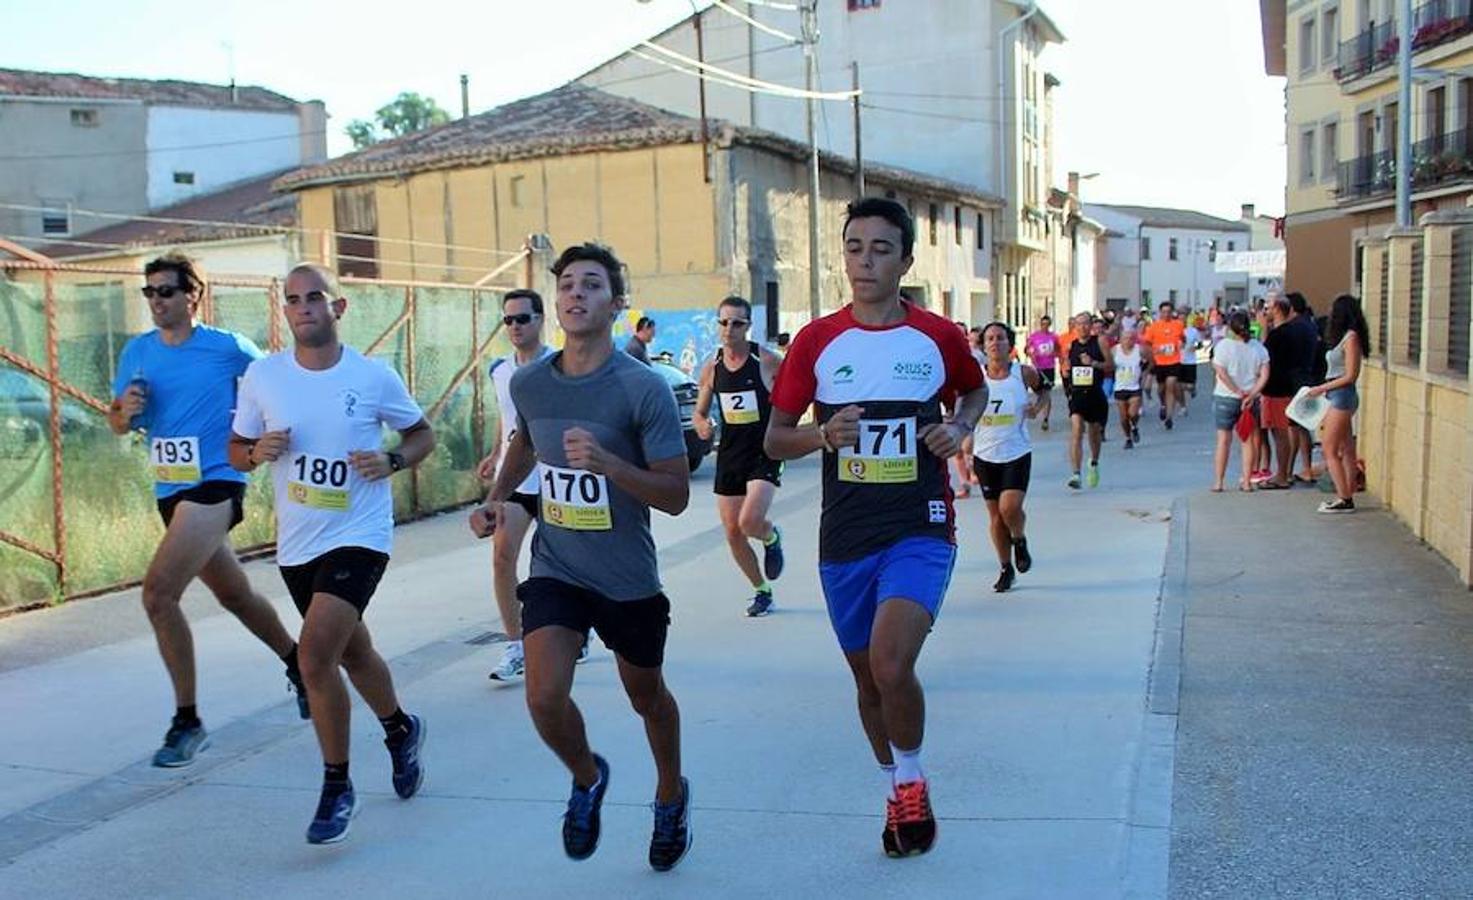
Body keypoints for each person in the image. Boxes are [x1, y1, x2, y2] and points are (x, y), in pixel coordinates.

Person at [764, 198, 986, 858]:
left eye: (880, 248)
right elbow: (773, 441)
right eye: (854, 246)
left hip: (920, 522)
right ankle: (893, 783)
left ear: (905, 260)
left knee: (892, 662)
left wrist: (960, 427)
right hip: (845, 533)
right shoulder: (815, 342)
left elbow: (971, 392)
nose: (864, 260)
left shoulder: (938, 336)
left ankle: (913, 779)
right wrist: (820, 434)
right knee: (866, 682)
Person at [469, 242, 693, 871]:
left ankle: (671, 793)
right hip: (558, 568)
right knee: (542, 697)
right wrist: (496, 497)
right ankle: (588, 775)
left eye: (591, 285)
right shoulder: (531, 381)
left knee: (647, 698)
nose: (575, 294)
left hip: (626, 577)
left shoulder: (641, 387)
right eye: (566, 283)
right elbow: (522, 442)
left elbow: (674, 495)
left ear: (616, 304)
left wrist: (610, 464)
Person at [230, 262, 433, 844]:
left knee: (316, 656)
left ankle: (337, 785)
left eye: (314, 297)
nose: (303, 308)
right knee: (353, 651)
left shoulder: (373, 377)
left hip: (361, 534)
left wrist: (392, 460)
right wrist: (255, 452)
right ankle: (400, 728)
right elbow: (237, 447)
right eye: (292, 300)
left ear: (338, 308)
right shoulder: (263, 376)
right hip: (299, 543)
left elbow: (422, 435)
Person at [107, 252, 306, 769]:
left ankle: (187, 722)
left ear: (192, 295)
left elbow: (275, 385)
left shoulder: (226, 348)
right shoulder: (138, 352)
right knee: (236, 594)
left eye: (167, 291)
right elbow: (118, 421)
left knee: (158, 595)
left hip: (217, 482)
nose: (157, 301)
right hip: (170, 490)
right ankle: (300, 664)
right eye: (149, 293)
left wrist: (267, 439)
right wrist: (122, 412)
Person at [477, 289, 555, 682]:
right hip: (517, 482)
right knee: (502, 557)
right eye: (508, 320)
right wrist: (494, 455)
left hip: (558, 483)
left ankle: (578, 628)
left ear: (540, 320)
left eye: (522, 318)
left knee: (561, 569)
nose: (515, 327)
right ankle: (515, 645)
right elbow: (506, 419)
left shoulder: (559, 365)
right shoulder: (500, 370)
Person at [692, 295, 786, 617]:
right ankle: (762, 590)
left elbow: (794, 396)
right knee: (733, 532)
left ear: (748, 326)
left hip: (765, 451)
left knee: (749, 522)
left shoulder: (767, 361)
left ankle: (771, 536)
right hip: (731, 455)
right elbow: (699, 413)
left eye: (737, 323)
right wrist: (703, 425)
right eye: (723, 322)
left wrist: (787, 432)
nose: (729, 329)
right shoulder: (712, 368)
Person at [972, 322, 1042, 592]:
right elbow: (962, 404)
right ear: (983, 345)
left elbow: (1044, 391)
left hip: (1016, 451)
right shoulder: (976, 377)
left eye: (1000, 338)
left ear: (1009, 343)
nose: (994, 343)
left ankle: (1020, 539)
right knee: (996, 517)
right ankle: (1005, 567)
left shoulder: (1022, 373)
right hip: (985, 454)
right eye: (989, 338)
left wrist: (1037, 406)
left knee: (1009, 508)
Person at [1307, 295, 1369, 513]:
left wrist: (1321, 389)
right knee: (1346, 447)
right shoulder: (1345, 337)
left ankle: (1344, 497)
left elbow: (1350, 375)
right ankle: (1348, 491)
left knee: (1329, 448)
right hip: (1338, 393)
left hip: (1341, 394)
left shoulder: (1351, 339)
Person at [1210, 311, 1269, 492]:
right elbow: (1265, 375)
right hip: (1250, 401)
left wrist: (1237, 391)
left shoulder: (1223, 346)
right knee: (1248, 441)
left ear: (1230, 327)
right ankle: (1246, 481)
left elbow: (1221, 371)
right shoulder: (1258, 348)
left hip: (1225, 397)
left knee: (1223, 440)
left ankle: (1219, 482)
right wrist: (1251, 394)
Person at [1064, 312, 1112, 489]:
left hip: (1095, 393)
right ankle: (1076, 473)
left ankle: (1094, 463)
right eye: (1079, 324)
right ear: (1074, 327)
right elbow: (1068, 367)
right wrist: (1066, 372)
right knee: (1076, 429)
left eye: (1085, 324)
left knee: (1094, 432)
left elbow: (1110, 365)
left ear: (1091, 325)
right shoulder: (1072, 345)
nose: (1082, 327)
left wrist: (1093, 363)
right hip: (1077, 393)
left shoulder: (1099, 342)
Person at [1257, 295, 1298, 490]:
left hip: (1275, 389)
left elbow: (1263, 355)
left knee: (1279, 433)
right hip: (1285, 387)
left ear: (1278, 309)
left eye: (1269, 308)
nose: (1266, 312)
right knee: (1281, 432)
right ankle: (1284, 472)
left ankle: (1281, 475)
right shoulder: (1291, 332)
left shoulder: (1278, 334)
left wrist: (1264, 328)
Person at [1286, 292, 1321, 483]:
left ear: (1290, 309)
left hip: (1296, 381)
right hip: (1309, 378)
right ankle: (1305, 467)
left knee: (1293, 427)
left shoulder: (1295, 328)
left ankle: (1289, 469)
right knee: (1302, 427)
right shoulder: (1311, 325)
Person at [1142, 301, 1185, 429]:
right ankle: (1163, 405)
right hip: (1159, 362)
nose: (1166, 314)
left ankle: (1169, 417)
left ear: (1172, 312)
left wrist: (1181, 342)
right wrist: (1152, 352)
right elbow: (1147, 343)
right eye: (1164, 312)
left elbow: (1183, 338)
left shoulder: (1178, 325)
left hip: (1174, 360)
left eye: (1168, 312)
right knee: (1161, 389)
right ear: (1160, 312)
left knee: (1171, 385)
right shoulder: (1153, 327)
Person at [1024, 315, 1059, 431]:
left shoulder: (1053, 336)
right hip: (1037, 368)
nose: (1045, 326)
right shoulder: (1034, 336)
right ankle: (1038, 409)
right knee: (1039, 392)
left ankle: (1045, 419)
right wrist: (1030, 353)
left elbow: (1058, 350)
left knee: (1047, 392)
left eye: (1047, 324)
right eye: (1043, 324)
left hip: (1049, 367)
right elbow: (1026, 349)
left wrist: (1055, 353)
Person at [1111, 327, 1145, 448]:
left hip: (1134, 387)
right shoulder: (1115, 350)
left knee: (1132, 413)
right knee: (1124, 417)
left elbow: (1151, 361)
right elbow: (1108, 364)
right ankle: (1128, 437)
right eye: (1125, 338)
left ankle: (1134, 426)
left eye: (1131, 338)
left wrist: (1144, 373)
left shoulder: (1139, 350)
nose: (1128, 341)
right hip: (1120, 387)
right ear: (1120, 339)